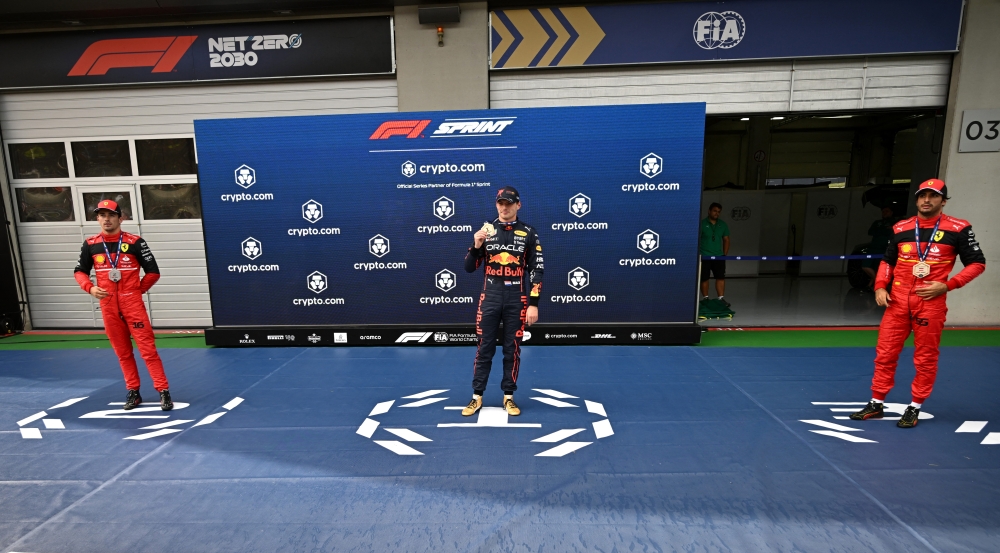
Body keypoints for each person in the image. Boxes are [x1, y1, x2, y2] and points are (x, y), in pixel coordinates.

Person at [851, 179, 984, 427]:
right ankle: (876, 402)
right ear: (916, 200)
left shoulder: (958, 228)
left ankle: (915, 407)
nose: (926, 200)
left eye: (933, 196)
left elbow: (977, 263)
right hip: (898, 302)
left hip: (930, 302)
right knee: (885, 354)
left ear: (943, 201)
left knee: (925, 357)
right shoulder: (901, 227)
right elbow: (888, 261)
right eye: (922, 196)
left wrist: (948, 285)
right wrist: (880, 286)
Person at [74, 199, 173, 411]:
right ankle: (133, 391)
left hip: (132, 304)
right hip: (108, 306)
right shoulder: (90, 244)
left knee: (148, 350)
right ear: (97, 218)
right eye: (101, 215)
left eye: (110, 215)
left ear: (120, 218)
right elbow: (80, 271)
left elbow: (153, 272)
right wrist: (89, 287)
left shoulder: (136, 242)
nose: (106, 219)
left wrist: (137, 290)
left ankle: (163, 390)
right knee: (123, 352)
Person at [462, 186, 543, 417]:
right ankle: (477, 396)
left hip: (517, 297)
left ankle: (509, 397)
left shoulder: (528, 232)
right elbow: (469, 268)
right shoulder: (485, 231)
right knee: (484, 347)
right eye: (501, 203)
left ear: (518, 205)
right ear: (496, 205)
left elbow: (536, 270)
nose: (504, 207)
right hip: (490, 295)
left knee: (512, 348)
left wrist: (534, 304)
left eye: (509, 203)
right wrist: (476, 246)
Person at [862, 205, 900, 289]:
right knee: (865, 265)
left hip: (886, 248)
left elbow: (894, 232)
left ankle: (870, 285)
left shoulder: (895, 222)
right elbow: (870, 232)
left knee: (879, 268)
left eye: (887, 211)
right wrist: (885, 230)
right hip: (873, 247)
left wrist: (883, 231)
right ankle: (877, 282)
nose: (884, 213)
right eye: (883, 211)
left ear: (891, 212)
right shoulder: (877, 222)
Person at [699, 202, 730, 306]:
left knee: (720, 277)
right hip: (704, 256)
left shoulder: (723, 224)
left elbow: (726, 239)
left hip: (719, 256)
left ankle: (721, 298)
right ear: (709, 211)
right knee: (704, 278)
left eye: (718, 212)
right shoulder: (702, 224)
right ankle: (705, 298)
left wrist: (724, 254)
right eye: (714, 211)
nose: (717, 213)